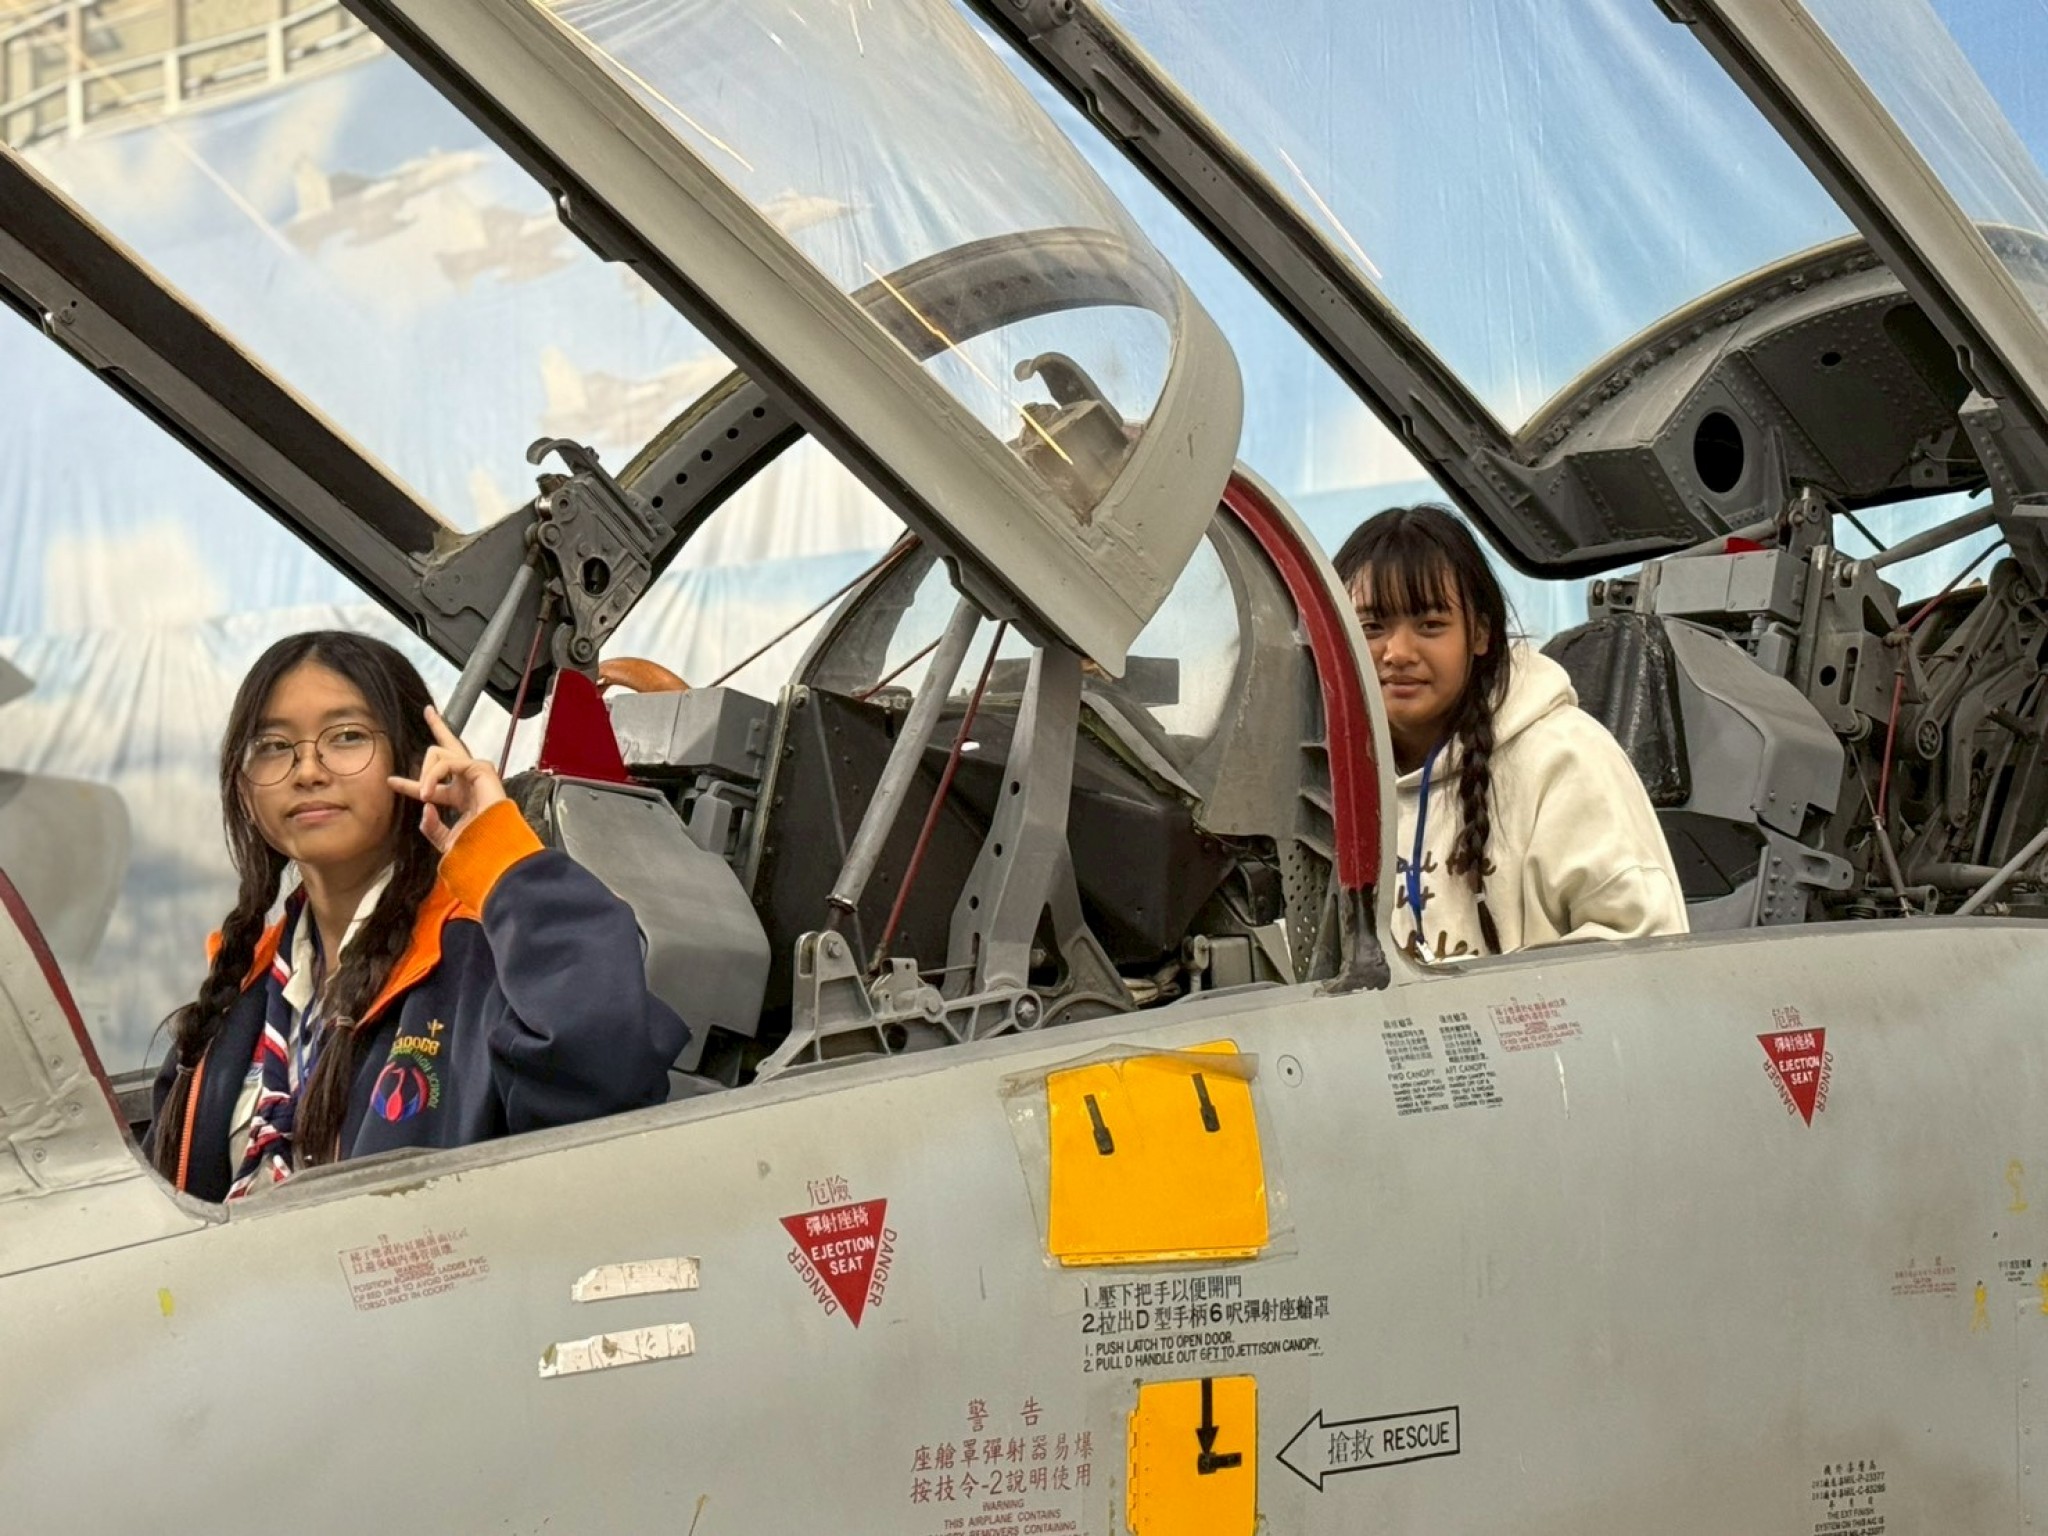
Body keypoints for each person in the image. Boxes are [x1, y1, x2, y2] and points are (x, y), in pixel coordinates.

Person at [147, 631, 688, 1200]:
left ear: (416, 760)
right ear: (244, 789)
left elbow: (608, 1075)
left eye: (347, 736)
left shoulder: (486, 958)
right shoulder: (234, 998)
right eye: (274, 745)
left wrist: (504, 859)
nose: (307, 770)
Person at [1333, 505, 1687, 962]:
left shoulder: (1564, 756)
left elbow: (1645, 949)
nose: (1398, 652)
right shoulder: (1324, 783)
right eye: (1371, 627)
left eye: (1430, 625)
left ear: (1480, 633)